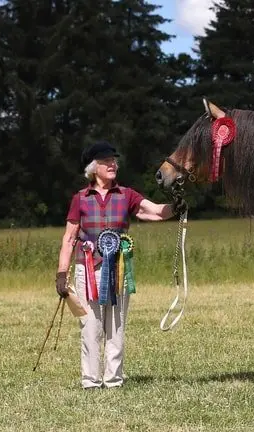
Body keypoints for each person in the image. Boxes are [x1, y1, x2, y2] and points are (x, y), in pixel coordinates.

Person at [54, 141, 185, 389]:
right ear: (94, 168)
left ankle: (113, 380)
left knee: (116, 325)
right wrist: (62, 273)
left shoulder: (127, 195)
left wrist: (175, 206)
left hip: (120, 268)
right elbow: (69, 237)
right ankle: (91, 380)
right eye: (106, 161)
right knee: (90, 326)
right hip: (87, 270)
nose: (113, 164)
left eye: (114, 160)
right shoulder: (80, 199)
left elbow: (155, 212)